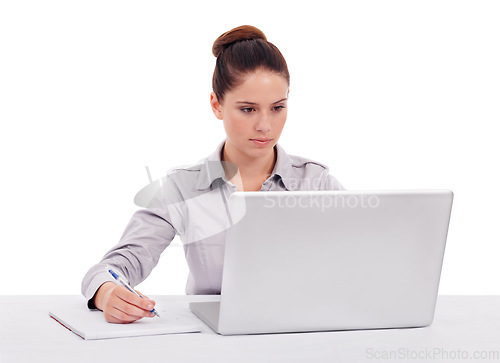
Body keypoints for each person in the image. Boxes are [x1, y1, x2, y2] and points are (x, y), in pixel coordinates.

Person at [81, 25, 345, 324]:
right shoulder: (183, 187)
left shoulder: (317, 183)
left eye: (277, 107)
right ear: (217, 105)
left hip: (302, 334)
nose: (265, 126)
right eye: (248, 109)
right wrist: (107, 292)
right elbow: (114, 267)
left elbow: (365, 258)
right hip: (210, 343)